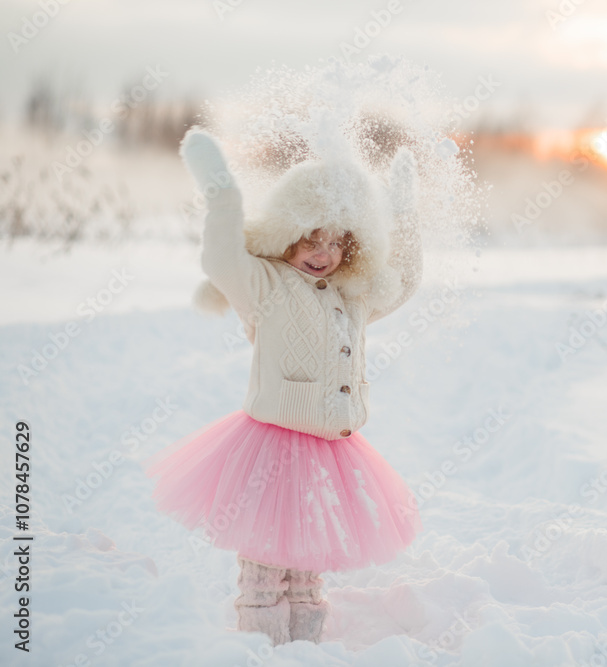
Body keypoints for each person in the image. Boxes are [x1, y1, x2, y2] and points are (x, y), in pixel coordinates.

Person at [145, 127, 423, 645]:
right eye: (311, 238)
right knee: (265, 566)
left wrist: (404, 215)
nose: (323, 252)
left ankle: (304, 648)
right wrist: (222, 192)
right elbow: (221, 260)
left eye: (336, 242)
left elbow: (404, 282)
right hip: (271, 449)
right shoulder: (264, 285)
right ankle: (262, 648)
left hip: (330, 452)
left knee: (306, 569)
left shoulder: (352, 297)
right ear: (287, 232)